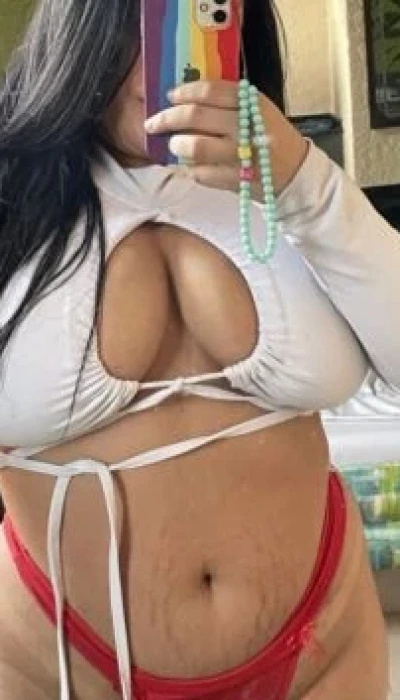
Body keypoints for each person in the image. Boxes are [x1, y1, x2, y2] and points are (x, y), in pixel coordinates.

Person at [0, 1, 399, 699]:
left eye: (202, 14)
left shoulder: (289, 187)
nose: (166, 63)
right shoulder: (13, 199)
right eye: (144, 22)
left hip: (323, 643)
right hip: (53, 658)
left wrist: (306, 183)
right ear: (85, 30)